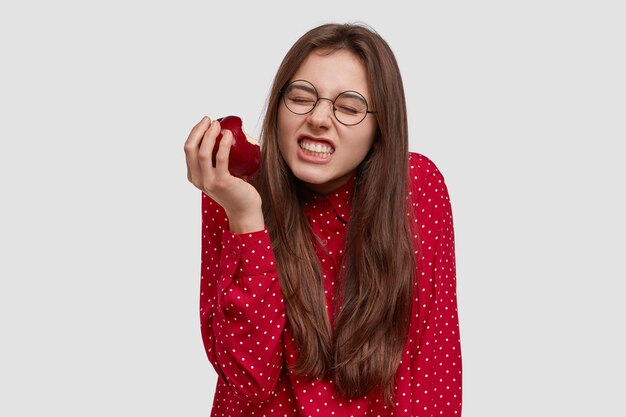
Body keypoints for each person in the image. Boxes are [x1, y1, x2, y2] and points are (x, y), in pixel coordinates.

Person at [184, 22, 462, 417]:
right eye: (300, 97)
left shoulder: (416, 187)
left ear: (379, 129)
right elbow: (249, 380)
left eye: (348, 107)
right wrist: (246, 218)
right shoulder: (232, 191)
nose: (318, 118)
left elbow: (432, 363)